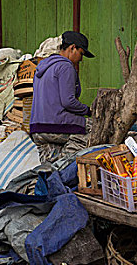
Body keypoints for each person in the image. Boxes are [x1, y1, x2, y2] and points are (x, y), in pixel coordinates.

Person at [29, 31, 94, 171]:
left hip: (37, 128)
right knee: (93, 129)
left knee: (48, 171)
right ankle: (69, 166)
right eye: (81, 54)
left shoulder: (42, 67)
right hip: (55, 124)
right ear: (72, 48)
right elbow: (68, 101)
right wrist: (88, 111)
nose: (81, 59)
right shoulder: (65, 66)